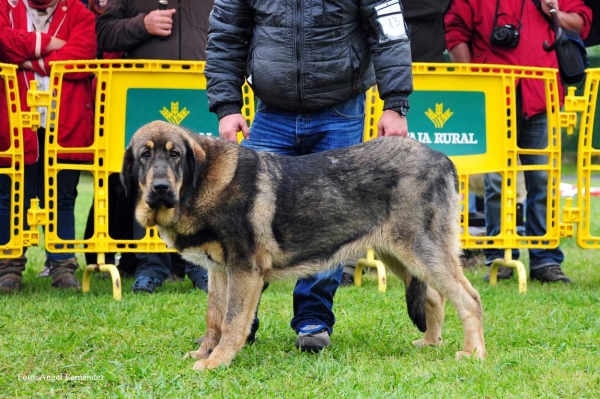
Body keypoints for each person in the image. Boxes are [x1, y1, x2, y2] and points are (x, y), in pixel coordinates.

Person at [205, 0, 412, 351]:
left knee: (327, 222)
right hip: (270, 113)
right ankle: (237, 325)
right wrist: (227, 106)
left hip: (340, 111)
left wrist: (395, 104)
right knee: (244, 228)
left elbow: (389, 31)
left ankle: (313, 321)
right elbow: (226, 34)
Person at [445, 0, 592, 283]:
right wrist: (469, 80)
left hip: (541, 95)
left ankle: (545, 260)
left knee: (543, 179)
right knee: (496, 182)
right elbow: (455, 31)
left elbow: (582, 22)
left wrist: (553, 11)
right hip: (493, 96)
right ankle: (498, 257)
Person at [95, 0, 212, 294]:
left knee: (198, 177)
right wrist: (141, 25)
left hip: (203, 93)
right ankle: (150, 265)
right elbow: (103, 33)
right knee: (149, 178)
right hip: (144, 96)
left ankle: (200, 265)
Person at [340, 0, 452, 286]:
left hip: (397, 89)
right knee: (352, 192)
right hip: (372, 87)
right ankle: (348, 262)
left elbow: (394, 29)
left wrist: (396, 103)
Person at [0, 0, 97, 293]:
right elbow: (3, 42)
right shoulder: (5, 7)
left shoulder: (80, 13)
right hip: (15, 119)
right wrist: (48, 43)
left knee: (63, 195)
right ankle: (8, 266)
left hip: (64, 120)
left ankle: (63, 265)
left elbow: (80, 57)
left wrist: (27, 59)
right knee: (10, 194)